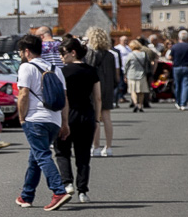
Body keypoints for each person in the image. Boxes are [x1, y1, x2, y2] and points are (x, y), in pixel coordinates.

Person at [14, 35, 70, 211]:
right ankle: (26, 195)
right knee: (35, 157)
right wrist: (64, 122)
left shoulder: (26, 67)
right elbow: (65, 98)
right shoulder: (56, 68)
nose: (21, 55)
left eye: (21, 52)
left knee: (42, 155)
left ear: (27, 51)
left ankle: (58, 191)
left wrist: (22, 118)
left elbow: (23, 94)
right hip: (54, 119)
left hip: (35, 118)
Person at [53, 36, 102, 204]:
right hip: (87, 115)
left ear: (72, 53)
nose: (61, 57)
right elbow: (98, 98)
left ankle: (67, 183)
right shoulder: (91, 71)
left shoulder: (62, 72)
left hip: (67, 115)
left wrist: (62, 120)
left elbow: (62, 97)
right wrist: (97, 119)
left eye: (62, 53)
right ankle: (83, 191)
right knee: (83, 156)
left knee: (62, 151)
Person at [85, 26, 119, 155]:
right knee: (107, 118)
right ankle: (109, 147)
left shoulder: (90, 53)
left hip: (94, 87)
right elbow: (114, 74)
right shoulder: (111, 55)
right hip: (108, 87)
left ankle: (96, 147)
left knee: (95, 118)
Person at [168, 30, 188, 110]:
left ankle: (178, 102)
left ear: (178, 37)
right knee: (186, 85)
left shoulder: (174, 47)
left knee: (177, 85)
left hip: (177, 67)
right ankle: (183, 104)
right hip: (187, 67)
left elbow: (170, 57)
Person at [124, 38, 151, 112]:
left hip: (131, 74)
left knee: (133, 90)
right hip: (142, 74)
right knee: (141, 91)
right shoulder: (144, 54)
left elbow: (126, 65)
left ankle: (135, 103)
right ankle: (140, 105)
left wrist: (125, 74)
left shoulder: (130, 55)